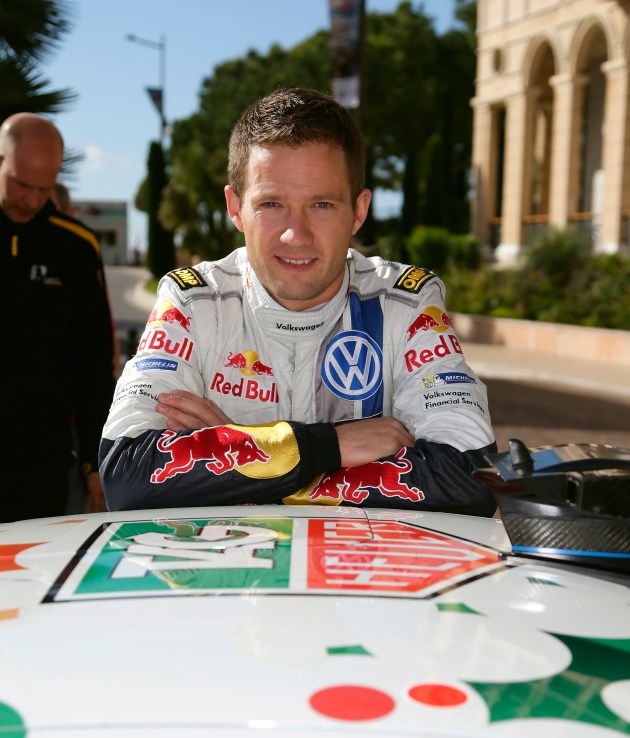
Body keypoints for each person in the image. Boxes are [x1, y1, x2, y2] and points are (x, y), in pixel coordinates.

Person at [100, 87, 497, 515]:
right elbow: (126, 477)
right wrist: (327, 446)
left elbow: (471, 477)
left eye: (322, 204)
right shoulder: (193, 301)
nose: (296, 235)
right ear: (235, 208)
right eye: (271, 204)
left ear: (358, 211)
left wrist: (243, 450)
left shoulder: (407, 302)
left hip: (363, 577)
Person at [0, 113, 116, 521]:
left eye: (45, 188)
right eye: (21, 184)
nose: (32, 199)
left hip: (41, 465)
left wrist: (95, 464)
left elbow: (94, 367)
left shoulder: (76, 248)